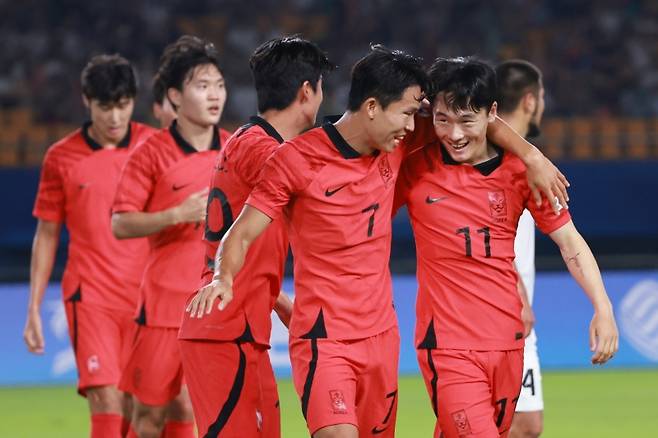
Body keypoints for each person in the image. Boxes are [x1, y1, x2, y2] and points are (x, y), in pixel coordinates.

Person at [188, 45, 568, 438]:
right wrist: (223, 276)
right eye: (407, 113)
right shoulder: (297, 159)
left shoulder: (397, 140)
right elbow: (243, 229)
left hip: (381, 339)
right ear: (372, 107)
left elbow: (475, 116)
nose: (413, 125)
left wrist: (532, 155)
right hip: (324, 337)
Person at [394, 57, 619, 438]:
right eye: (443, 120)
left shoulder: (521, 174)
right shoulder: (415, 167)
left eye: (467, 120)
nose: (454, 134)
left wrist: (603, 307)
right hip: (446, 346)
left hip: (508, 344)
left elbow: (570, 242)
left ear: (492, 113)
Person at [178, 36, 332, 438]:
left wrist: (277, 299)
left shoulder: (247, 142)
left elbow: (239, 236)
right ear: (306, 91)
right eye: (321, 87)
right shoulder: (266, 151)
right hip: (223, 334)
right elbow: (323, 185)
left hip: (243, 329)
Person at [24, 54, 156, 438]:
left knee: (141, 408)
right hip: (91, 296)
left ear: (133, 101)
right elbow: (47, 234)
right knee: (107, 401)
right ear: (86, 101)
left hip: (147, 298)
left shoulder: (155, 147)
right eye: (105, 107)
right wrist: (32, 307)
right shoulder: (60, 158)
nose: (114, 118)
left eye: (122, 106)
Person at [111, 35, 230, 438]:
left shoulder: (235, 150)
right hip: (162, 307)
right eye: (202, 86)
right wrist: (175, 214)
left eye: (219, 85)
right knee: (149, 415)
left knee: (198, 412)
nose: (214, 95)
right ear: (175, 97)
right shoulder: (150, 153)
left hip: (215, 308)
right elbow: (121, 223)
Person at [496, 59, 546, 438]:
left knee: (521, 425)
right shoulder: (505, 161)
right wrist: (518, 296)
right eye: (542, 97)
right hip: (502, 313)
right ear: (530, 101)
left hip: (512, 313)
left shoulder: (526, 160)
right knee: (520, 425)